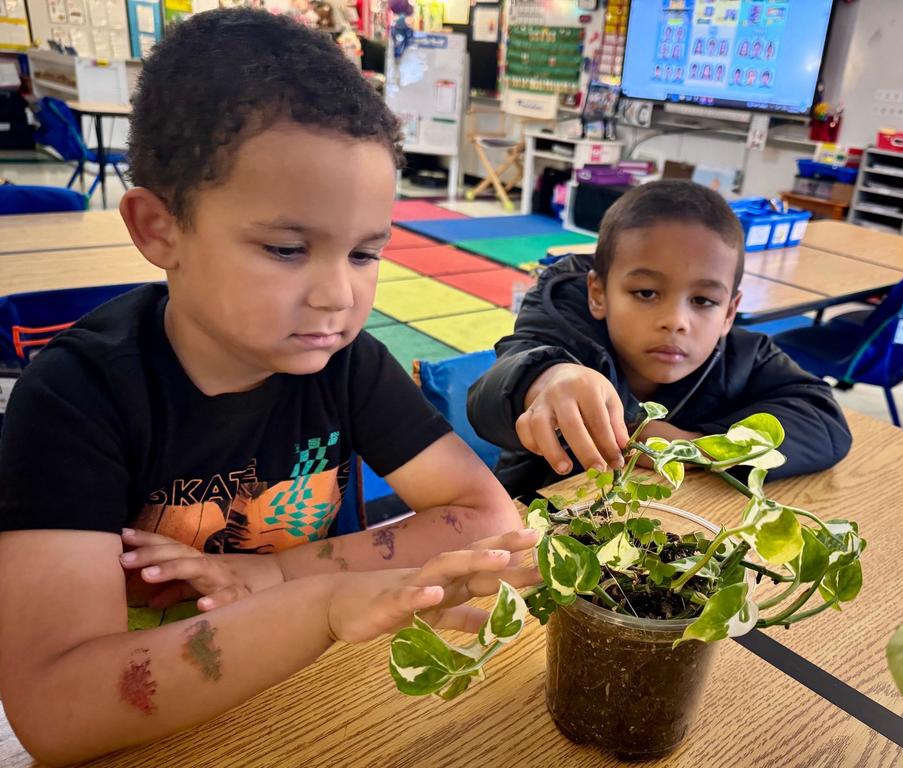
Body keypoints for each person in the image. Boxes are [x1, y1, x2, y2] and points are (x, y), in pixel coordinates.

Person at [0, 9, 537, 765]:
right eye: (287, 249)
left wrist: (277, 574)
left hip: (303, 699)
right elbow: (54, 712)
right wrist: (316, 603)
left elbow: (484, 517)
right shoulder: (74, 399)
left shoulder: (345, 363)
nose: (337, 297)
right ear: (159, 229)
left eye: (364, 253)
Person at [467, 181, 852, 499]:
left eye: (703, 301)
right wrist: (546, 380)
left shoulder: (743, 355)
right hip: (536, 522)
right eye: (647, 293)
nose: (676, 321)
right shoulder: (561, 319)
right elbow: (489, 399)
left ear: (729, 313)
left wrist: (688, 446)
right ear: (598, 293)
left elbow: (824, 423)